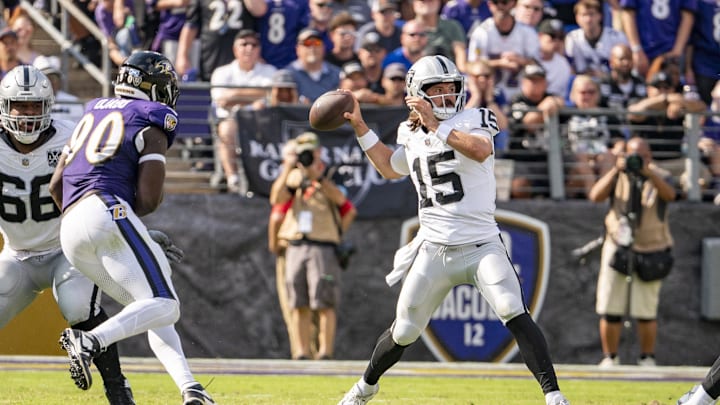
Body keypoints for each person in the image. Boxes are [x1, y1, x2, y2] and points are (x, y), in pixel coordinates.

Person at [338, 54, 569, 405]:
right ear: (416, 94)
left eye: (451, 88)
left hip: (481, 246)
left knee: (512, 309)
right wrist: (360, 128)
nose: (446, 96)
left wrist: (436, 124)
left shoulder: (474, 118)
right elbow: (389, 166)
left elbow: (479, 149)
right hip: (434, 250)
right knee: (403, 330)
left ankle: (554, 397)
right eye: (437, 89)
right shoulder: (412, 133)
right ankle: (364, 389)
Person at [48, 51, 216, 405]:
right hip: (106, 207)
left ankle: (191, 390)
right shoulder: (152, 120)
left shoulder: (91, 111)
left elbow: (55, 186)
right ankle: (91, 340)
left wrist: (107, 224)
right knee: (166, 304)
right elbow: (150, 198)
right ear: (151, 86)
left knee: (149, 308)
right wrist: (119, 221)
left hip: (70, 225)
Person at [0, 64, 135, 405]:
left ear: (48, 106)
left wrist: (135, 227)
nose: (27, 115)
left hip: (67, 250)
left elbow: (107, 187)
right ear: (5, 106)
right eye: (20, 106)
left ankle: (118, 391)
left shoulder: (72, 136)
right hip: (17, 255)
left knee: (78, 307)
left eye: (34, 106)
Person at [587, 136, 676, 368]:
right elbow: (595, 196)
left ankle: (647, 358)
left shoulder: (660, 175)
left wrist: (650, 174)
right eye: (632, 155)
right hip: (618, 245)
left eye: (642, 155)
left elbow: (671, 195)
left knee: (645, 309)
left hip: (651, 247)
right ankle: (610, 358)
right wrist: (615, 170)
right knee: (610, 306)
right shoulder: (618, 175)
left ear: (650, 156)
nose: (637, 160)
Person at [271, 132, 357, 360]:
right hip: (296, 243)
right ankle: (301, 351)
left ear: (319, 151)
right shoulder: (293, 176)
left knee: (324, 300)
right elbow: (277, 200)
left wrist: (318, 177)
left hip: (323, 245)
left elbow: (345, 204)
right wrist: (289, 168)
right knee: (298, 300)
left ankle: (325, 352)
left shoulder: (331, 173)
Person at [209, 29, 276, 193]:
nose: (249, 48)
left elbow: (272, 95)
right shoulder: (221, 72)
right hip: (232, 122)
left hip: (262, 122)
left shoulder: (270, 71)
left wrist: (235, 95)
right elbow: (222, 101)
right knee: (226, 129)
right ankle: (233, 179)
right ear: (235, 49)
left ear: (259, 49)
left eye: (253, 44)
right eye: (244, 44)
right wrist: (257, 95)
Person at [175, 0, 266, 81]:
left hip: (242, 64)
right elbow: (191, 26)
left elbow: (260, 10)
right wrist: (182, 56)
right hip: (211, 58)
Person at [467, 0, 540, 100]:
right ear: (489, 5)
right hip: (490, 94)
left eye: (504, 2)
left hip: (520, 94)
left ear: (513, 3)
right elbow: (473, 65)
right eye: (495, 2)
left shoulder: (527, 32)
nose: (500, 6)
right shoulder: (481, 32)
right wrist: (499, 63)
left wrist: (520, 60)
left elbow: (538, 65)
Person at [619, 0, 696, 77]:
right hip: (643, 51)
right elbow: (628, 12)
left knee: (668, 87)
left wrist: (677, 50)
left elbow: (688, 15)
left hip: (671, 51)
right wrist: (636, 49)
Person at [564, 0, 627, 77]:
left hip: (612, 83)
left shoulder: (616, 37)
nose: (588, 19)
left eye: (591, 14)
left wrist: (606, 77)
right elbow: (570, 69)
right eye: (584, 15)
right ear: (577, 18)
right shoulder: (572, 38)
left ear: (600, 16)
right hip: (584, 83)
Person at [286, 28, 341, 103]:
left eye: (317, 43)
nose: (312, 48)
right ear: (297, 49)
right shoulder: (287, 75)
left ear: (323, 48)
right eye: (307, 43)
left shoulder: (337, 75)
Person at [33, 55, 86, 122]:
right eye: (45, 78)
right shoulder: (27, 103)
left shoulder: (74, 102)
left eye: (54, 78)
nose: (50, 82)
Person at [536, 18, 572, 98]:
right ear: (540, 36)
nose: (557, 41)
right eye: (552, 36)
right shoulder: (528, 56)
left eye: (560, 37)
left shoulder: (563, 64)